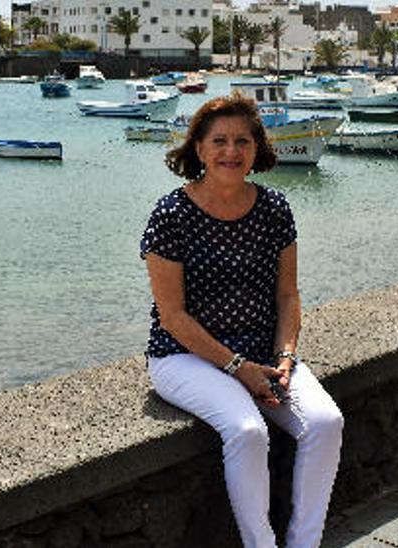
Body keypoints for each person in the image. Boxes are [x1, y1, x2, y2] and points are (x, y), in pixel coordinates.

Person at [140, 92, 344, 548]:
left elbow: (288, 296)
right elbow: (172, 317)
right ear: (198, 148)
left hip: (262, 353)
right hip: (183, 356)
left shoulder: (275, 209)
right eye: (219, 141)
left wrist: (285, 357)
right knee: (247, 431)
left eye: (242, 141)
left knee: (326, 422)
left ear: (257, 149)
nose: (231, 152)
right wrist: (239, 368)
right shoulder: (171, 214)